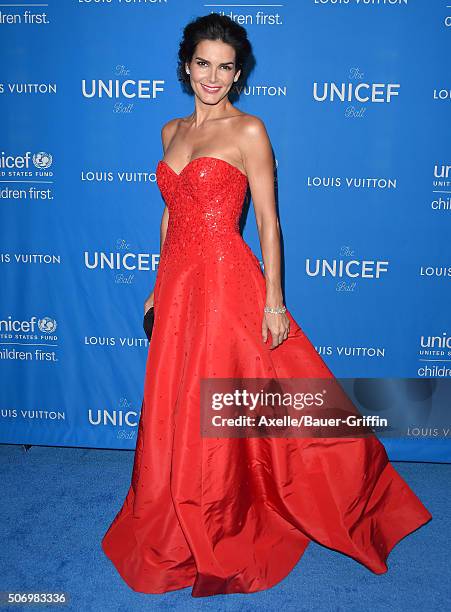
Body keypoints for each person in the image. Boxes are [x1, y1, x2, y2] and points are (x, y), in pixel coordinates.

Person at [101, 13, 432, 598]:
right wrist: (159, 281)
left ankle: (238, 510)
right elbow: (171, 214)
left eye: (225, 67)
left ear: (237, 74)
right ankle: (175, 511)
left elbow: (268, 222)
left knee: (239, 396)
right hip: (179, 286)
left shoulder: (248, 130)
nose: (213, 76)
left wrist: (275, 301)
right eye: (203, 63)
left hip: (227, 281)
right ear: (186, 65)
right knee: (179, 401)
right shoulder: (169, 131)